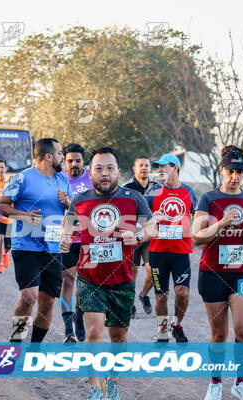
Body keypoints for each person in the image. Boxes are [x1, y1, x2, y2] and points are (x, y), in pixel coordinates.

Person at [60, 147, 156, 400]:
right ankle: (94, 388)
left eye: (110, 168)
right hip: (90, 278)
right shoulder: (80, 200)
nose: (104, 174)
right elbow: (67, 222)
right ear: (90, 172)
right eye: (99, 168)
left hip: (122, 279)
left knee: (119, 335)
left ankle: (112, 381)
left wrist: (136, 235)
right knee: (94, 333)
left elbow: (152, 227)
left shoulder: (134, 198)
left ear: (118, 172)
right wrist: (65, 238)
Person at [192, 145, 243, 400]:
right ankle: (215, 383)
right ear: (221, 170)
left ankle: (241, 383)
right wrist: (221, 224)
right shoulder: (208, 199)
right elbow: (197, 237)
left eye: (240, 172)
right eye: (231, 171)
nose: (235, 176)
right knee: (219, 334)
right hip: (213, 273)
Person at [0, 138, 73, 343]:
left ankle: (35, 348)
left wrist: (69, 203)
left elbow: (73, 214)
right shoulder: (23, 178)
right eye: (59, 154)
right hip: (26, 247)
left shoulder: (62, 179)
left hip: (53, 247)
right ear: (48, 156)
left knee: (47, 301)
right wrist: (23, 215)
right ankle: (16, 340)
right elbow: (0, 205)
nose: (62, 158)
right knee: (29, 297)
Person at [144, 154, 198, 342]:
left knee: (182, 292)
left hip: (181, 252)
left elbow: (198, 218)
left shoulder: (189, 192)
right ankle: (162, 329)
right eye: (157, 167)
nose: (159, 170)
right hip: (158, 252)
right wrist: (152, 219)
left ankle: (177, 325)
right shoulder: (152, 192)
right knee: (161, 296)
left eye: (163, 166)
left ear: (175, 167)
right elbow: (142, 220)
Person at [60, 143, 92, 342]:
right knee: (67, 280)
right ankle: (68, 329)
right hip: (67, 238)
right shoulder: (58, 179)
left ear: (83, 161)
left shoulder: (92, 178)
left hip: (89, 237)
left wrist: (69, 202)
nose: (74, 164)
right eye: (70, 160)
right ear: (64, 161)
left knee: (85, 282)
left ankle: (79, 316)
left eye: (78, 160)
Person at [123, 156, 158, 317]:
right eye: (140, 165)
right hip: (132, 236)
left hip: (149, 236)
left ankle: (143, 295)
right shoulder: (127, 188)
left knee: (153, 273)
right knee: (132, 272)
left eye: (146, 165)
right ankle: (130, 304)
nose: (144, 168)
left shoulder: (157, 188)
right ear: (134, 168)